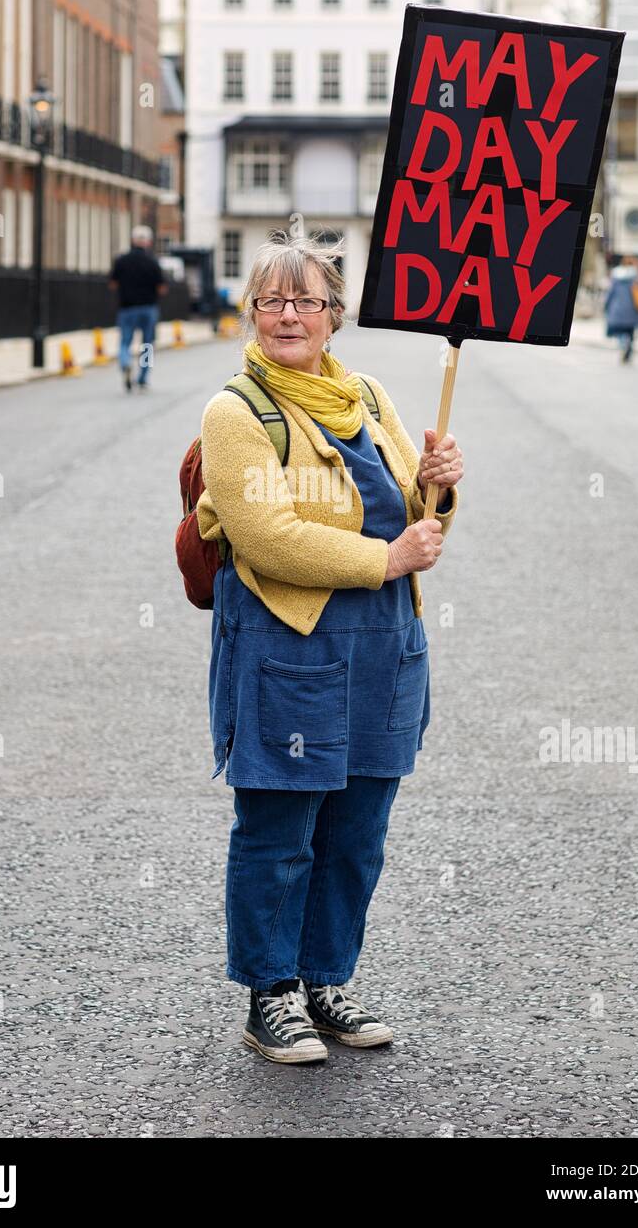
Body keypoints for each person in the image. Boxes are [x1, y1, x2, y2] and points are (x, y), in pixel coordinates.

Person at [194, 230, 463, 1064]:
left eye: (305, 300)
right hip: (289, 647)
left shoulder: (369, 396)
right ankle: (269, 993)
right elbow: (269, 539)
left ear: (334, 315)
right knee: (280, 830)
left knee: (358, 831)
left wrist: (441, 484)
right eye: (271, 300)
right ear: (252, 313)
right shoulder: (234, 412)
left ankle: (326, 980)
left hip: (385, 647)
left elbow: (417, 514)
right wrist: (386, 559)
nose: (287, 315)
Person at [108, 225, 168, 392]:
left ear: (132, 240)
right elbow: (162, 288)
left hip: (127, 308)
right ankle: (142, 378)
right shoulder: (153, 262)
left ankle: (125, 363)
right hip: (148, 308)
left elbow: (113, 284)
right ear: (148, 242)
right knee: (147, 345)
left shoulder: (121, 260)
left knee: (125, 341)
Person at [604, 254, 638, 363]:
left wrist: (606, 305)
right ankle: (628, 346)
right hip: (633, 309)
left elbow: (610, 293)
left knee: (620, 331)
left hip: (617, 308)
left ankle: (622, 343)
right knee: (630, 332)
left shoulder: (615, 275)